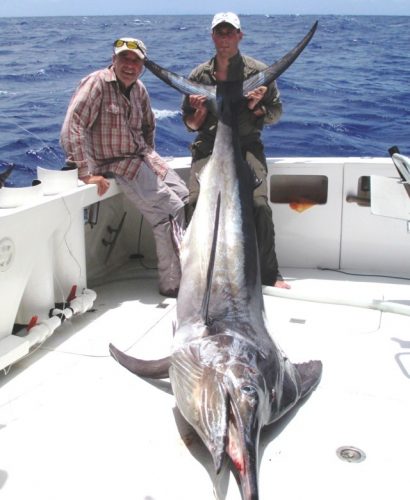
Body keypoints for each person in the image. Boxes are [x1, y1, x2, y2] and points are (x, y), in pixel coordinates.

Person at [61, 37, 188, 298]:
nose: (129, 65)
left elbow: (148, 126)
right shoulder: (96, 83)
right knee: (168, 211)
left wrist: (150, 156)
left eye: (136, 60)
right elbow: (73, 125)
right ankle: (173, 284)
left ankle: (188, 270)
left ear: (142, 65)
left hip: (142, 156)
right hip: (114, 163)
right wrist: (85, 173)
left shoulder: (139, 88)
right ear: (114, 59)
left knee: (186, 196)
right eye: (124, 58)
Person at [182, 12, 290, 289]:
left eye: (230, 32)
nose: (225, 37)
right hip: (208, 147)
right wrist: (200, 111)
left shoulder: (258, 73)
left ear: (240, 35)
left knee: (258, 206)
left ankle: (270, 274)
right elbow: (190, 124)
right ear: (213, 36)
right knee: (194, 203)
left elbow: (276, 113)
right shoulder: (198, 75)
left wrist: (256, 107)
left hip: (247, 147)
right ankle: (195, 274)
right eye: (220, 32)